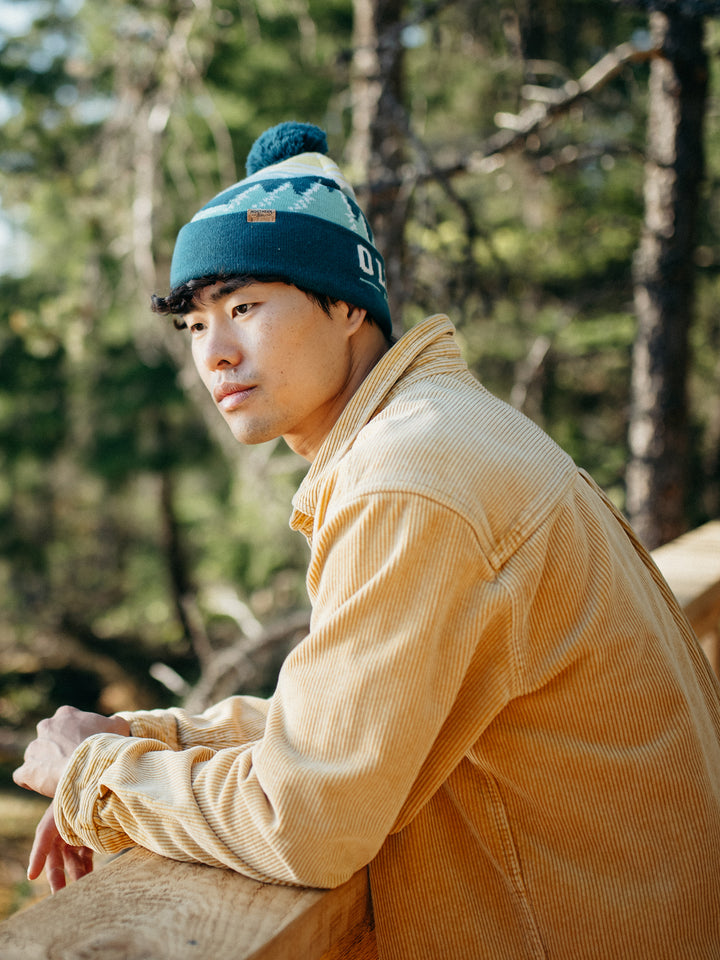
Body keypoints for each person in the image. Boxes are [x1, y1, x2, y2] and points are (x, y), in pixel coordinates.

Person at [14, 122, 720, 959]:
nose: (218, 355)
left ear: (348, 304)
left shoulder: (409, 481)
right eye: (195, 326)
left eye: (244, 307)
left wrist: (94, 779)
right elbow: (355, 721)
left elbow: (304, 821)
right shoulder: (439, 435)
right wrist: (145, 742)